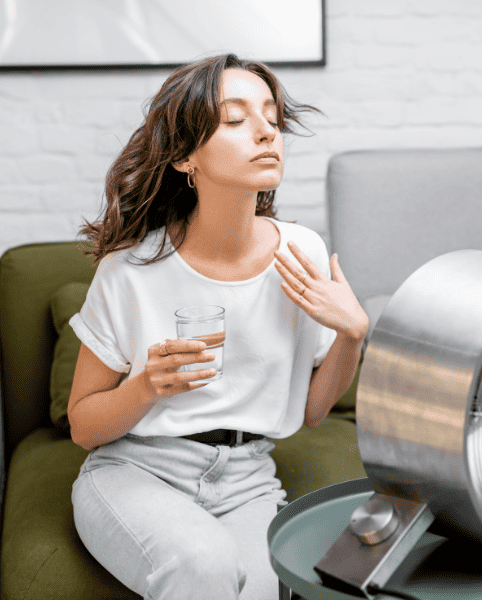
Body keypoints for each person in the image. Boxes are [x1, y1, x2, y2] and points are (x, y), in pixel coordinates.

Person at [68, 53, 368, 600]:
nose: (265, 133)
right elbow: (84, 427)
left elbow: (311, 411)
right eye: (235, 120)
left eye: (272, 120)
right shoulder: (132, 269)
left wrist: (353, 334)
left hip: (247, 483)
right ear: (185, 155)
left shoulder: (302, 252)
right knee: (201, 566)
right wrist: (145, 386)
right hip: (136, 471)